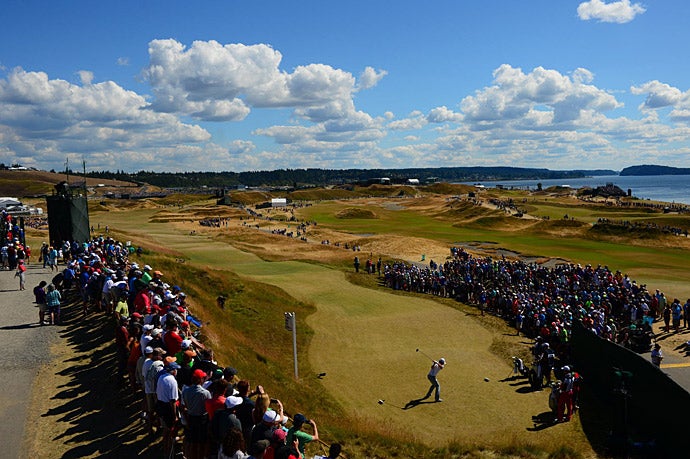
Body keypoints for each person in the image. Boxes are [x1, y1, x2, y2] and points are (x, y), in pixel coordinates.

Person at [181, 369, 212, 459]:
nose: (204, 379)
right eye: (203, 378)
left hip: (190, 418)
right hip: (202, 420)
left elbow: (184, 406)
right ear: (199, 380)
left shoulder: (186, 391)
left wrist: (187, 420)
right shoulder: (205, 393)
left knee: (193, 443)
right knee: (201, 444)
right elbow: (209, 407)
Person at [156, 361, 181, 457]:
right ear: (173, 371)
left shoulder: (161, 377)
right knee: (171, 430)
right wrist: (174, 415)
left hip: (161, 404)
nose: (176, 371)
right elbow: (173, 401)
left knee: (166, 429)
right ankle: (169, 452)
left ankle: (165, 447)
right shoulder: (172, 381)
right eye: (176, 369)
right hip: (168, 408)